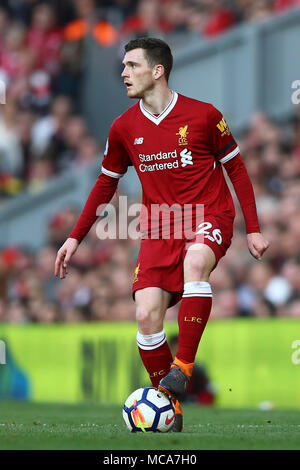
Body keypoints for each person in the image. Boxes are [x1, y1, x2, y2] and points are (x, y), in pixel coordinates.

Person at [54, 37, 269, 432]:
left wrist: (252, 229)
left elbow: (236, 169)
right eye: (123, 67)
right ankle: (169, 411)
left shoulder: (203, 116)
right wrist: (73, 238)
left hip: (208, 213)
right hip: (159, 227)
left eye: (132, 66)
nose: (123, 73)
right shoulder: (123, 128)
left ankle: (183, 367)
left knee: (195, 262)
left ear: (158, 71)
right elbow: (106, 183)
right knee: (145, 315)